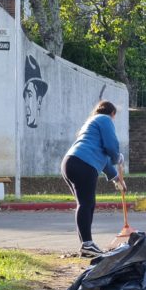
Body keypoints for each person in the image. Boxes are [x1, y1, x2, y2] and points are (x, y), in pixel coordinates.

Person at [62, 100, 126, 258]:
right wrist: (118, 157)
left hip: (70, 162)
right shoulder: (105, 120)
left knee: (85, 203)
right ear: (112, 114)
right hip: (84, 164)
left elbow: (102, 157)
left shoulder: (90, 123)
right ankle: (87, 244)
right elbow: (111, 146)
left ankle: (86, 244)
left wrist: (116, 178)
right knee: (86, 203)